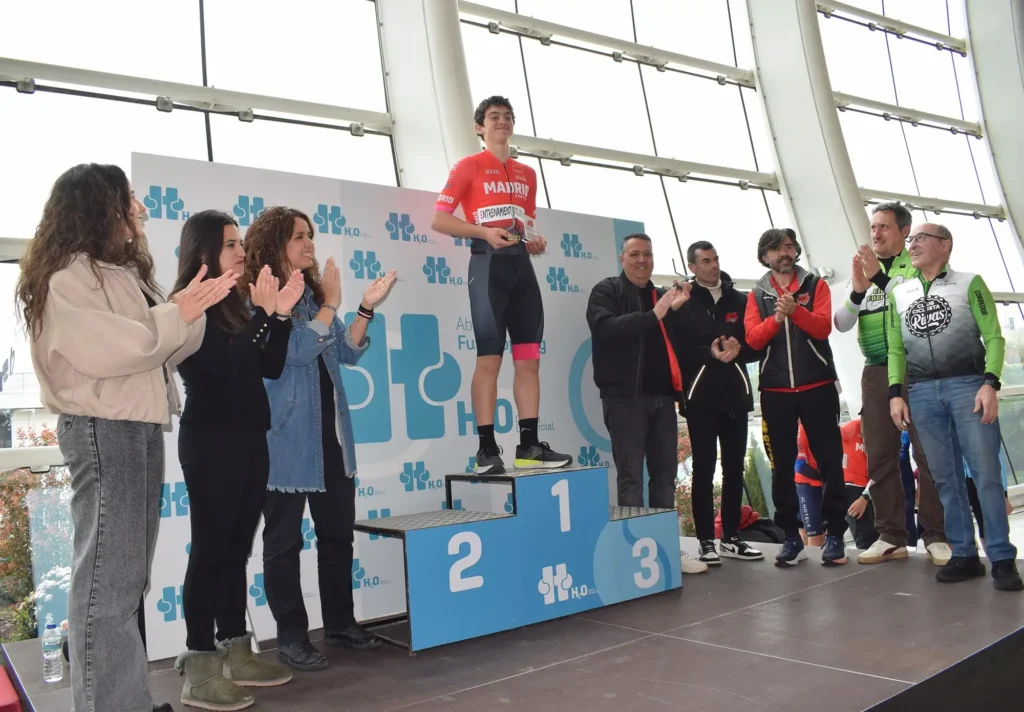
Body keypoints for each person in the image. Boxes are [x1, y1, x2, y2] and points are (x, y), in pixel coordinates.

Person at [17, 164, 237, 712]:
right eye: (129, 199)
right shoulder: (68, 277)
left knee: (125, 582)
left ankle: (127, 700)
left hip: (134, 427)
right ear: (99, 206)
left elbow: (164, 349)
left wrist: (190, 312)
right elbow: (120, 349)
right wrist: (177, 312)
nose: (139, 209)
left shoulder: (117, 273)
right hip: (102, 429)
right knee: (109, 585)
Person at [241, 207, 399, 671]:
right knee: (283, 543)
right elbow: (293, 352)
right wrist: (332, 304)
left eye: (310, 235)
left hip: (332, 438)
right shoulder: (262, 298)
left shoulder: (313, 298)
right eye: (299, 236)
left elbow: (347, 351)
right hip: (285, 440)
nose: (310, 243)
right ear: (275, 244)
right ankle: (291, 637)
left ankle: (341, 624)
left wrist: (364, 307)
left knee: (336, 537)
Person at [172, 211, 304, 709]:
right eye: (230, 244)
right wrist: (265, 317)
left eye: (239, 243)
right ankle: (200, 665)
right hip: (211, 442)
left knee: (235, 551)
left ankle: (236, 649)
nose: (241, 251)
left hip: (251, 439)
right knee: (210, 550)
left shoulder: (236, 303)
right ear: (204, 250)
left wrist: (281, 317)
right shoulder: (189, 303)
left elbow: (268, 365)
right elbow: (221, 369)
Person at [431, 95, 572, 473]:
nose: (502, 122)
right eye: (493, 117)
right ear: (480, 127)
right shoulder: (468, 165)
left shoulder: (527, 173)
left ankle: (529, 447)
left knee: (529, 362)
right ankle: (486, 450)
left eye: (508, 116)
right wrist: (482, 232)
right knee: (489, 360)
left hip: (522, 269)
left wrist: (535, 241)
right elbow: (439, 219)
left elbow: (527, 224)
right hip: (488, 267)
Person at [887, 223, 1022, 590]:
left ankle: (1001, 557)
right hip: (921, 393)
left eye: (920, 238)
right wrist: (895, 393)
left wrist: (990, 383)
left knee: (986, 474)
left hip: (969, 387)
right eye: (911, 239)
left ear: (944, 245)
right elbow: (896, 348)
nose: (912, 245)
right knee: (945, 478)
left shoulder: (969, 283)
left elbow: (994, 336)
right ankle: (963, 554)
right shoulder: (900, 292)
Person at [835, 201, 948, 566]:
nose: (876, 233)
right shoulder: (864, 270)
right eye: (873, 227)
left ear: (904, 231)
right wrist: (857, 290)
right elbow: (841, 323)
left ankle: (936, 535)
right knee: (880, 453)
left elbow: (916, 305)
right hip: (875, 371)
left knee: (927, 452)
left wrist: (878, 278)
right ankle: (891, 536)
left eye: (884, 227)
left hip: (917, 366)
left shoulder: (915, 265)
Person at [586, 234, 706, 574]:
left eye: (648, 254)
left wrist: (677, 311)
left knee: (665, 477)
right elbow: (604, 328)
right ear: (622, 258)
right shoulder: (607, 290)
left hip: (663, 397)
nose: (642, 260)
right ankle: (633, 557)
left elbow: (680, 342)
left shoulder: (661, 295)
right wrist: (655, 314)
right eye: (635, 254)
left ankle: (666, 551)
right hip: (624, 399)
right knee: (631, 479)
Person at [744, 228, 848, 567]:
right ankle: (791, 536)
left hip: (818, 386)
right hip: (776, 392)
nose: (784, 253)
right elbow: (753, 339)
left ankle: (835, 535)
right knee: (781, 466)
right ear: (765, 257)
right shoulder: (755, 294)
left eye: (789, 246)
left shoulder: (815, 285)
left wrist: (795, 311)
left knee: (830, 461)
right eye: (776, 249)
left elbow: (822, 327)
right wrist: (777, 318)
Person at [676, 241, 763, 564]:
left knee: (734, 469)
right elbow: (679, 350)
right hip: (700, 399)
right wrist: (709, 353)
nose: (713, 266)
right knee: (703, 470)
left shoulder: (740, 299)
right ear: (692, 267)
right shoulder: (683, 301)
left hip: (735, 397)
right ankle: (705, 541)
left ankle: (731, 537)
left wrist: (741, 351)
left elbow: (756, 344)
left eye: (715, 259)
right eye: (705, 261)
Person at [840, 418, 879, 550]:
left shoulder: (884, 432)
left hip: (875, 488)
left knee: (881, 538)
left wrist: (865, 497)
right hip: (853, 488)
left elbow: (882, 469)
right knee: (865, 541)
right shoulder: (851, 427)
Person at [794, 421, 825, 548]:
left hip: (813, 486)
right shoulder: (802, 428)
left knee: (810, 534)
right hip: (808, 486)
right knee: (815, 537)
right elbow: (799, 465)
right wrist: (826, 477)